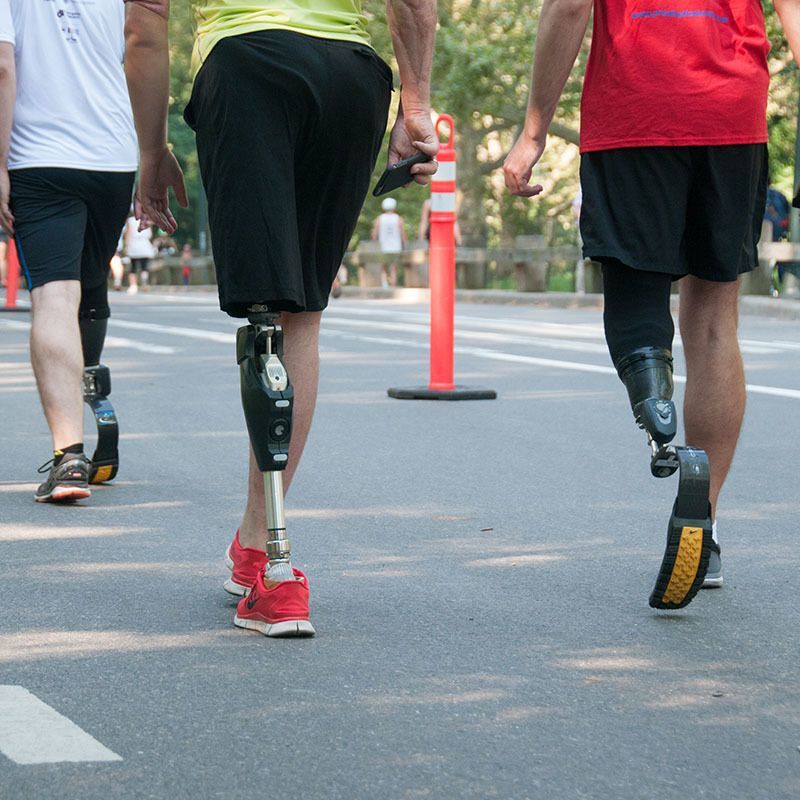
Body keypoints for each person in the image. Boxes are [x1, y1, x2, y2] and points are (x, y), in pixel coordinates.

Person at [127, 0, 438, 637]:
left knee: (265, 316)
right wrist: (414, 107)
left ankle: (277, 573)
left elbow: (145, 23)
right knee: (303, 316)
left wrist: (152, 149)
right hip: (351, 77)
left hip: (247, 64)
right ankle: (253, 542)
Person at [503, 0, 800, 606]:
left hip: (633, 111)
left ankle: (655, 406)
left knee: (637, 295)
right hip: (731, 114)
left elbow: (568, 7)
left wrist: (534, 131)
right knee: (713, 323)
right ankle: (704, 523)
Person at [0, 0, 185, 503]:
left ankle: (70, 456)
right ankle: (93, 389)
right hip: (111, 158)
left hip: (39, 158)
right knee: (90, 284)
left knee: (56, 296)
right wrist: (152, 153)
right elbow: (144, 42)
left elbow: (3, 66)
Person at [371, 197, 406, 287]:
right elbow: (402, 233)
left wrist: (374, 244)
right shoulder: (398, 218)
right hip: (395, 247)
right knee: (393, 268)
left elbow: (374, 234)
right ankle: (393, 285)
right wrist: (405, 244)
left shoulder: (379, 219)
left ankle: (384, 285)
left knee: (383, 267)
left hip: (383, 246)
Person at [123, 212, 156, 293]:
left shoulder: (130, 221)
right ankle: (144, 283)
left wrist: (126, 245)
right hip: (145, 245)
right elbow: (150, 235)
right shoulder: (147, 219)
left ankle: (133, 285)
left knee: (133, 267)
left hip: (133, 245)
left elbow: (128, 233)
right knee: (144, 266)